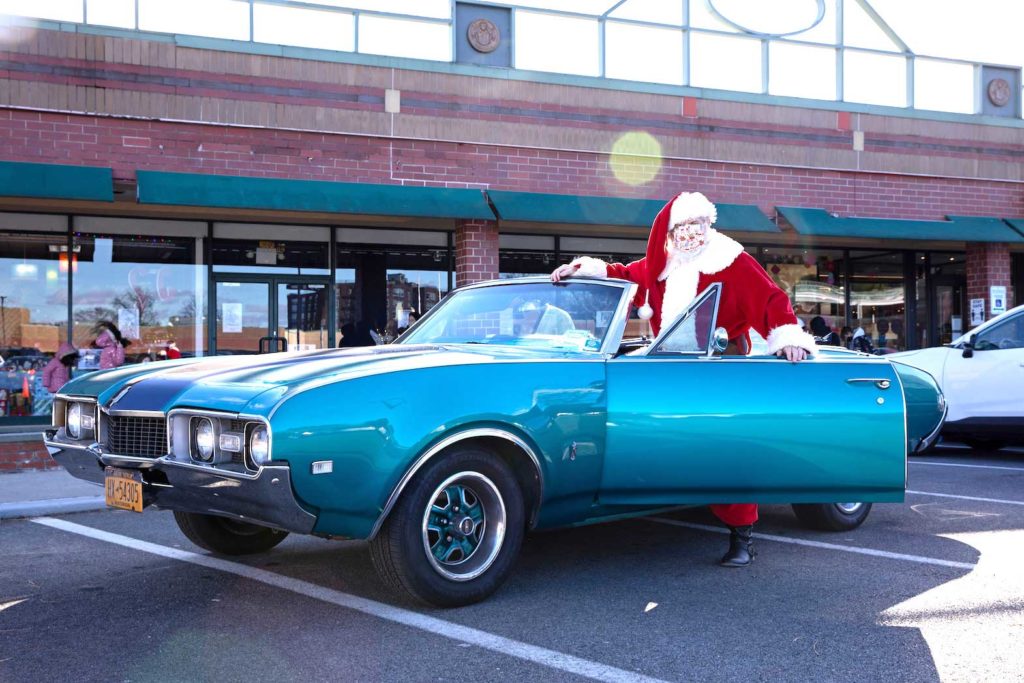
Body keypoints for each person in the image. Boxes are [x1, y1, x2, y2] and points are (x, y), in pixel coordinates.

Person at [551, 190, 816, 568]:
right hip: (667, 370)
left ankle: (742, 537)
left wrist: (789, 338)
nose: (692, 234)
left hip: (719, 370)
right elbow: (623, 274)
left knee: (729, 452)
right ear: (671, 232)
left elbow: (770, 299)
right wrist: (583, 270)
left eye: (699, 225)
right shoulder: (662, 264)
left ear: (709, 225)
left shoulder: (732, 260)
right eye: (684, 227)